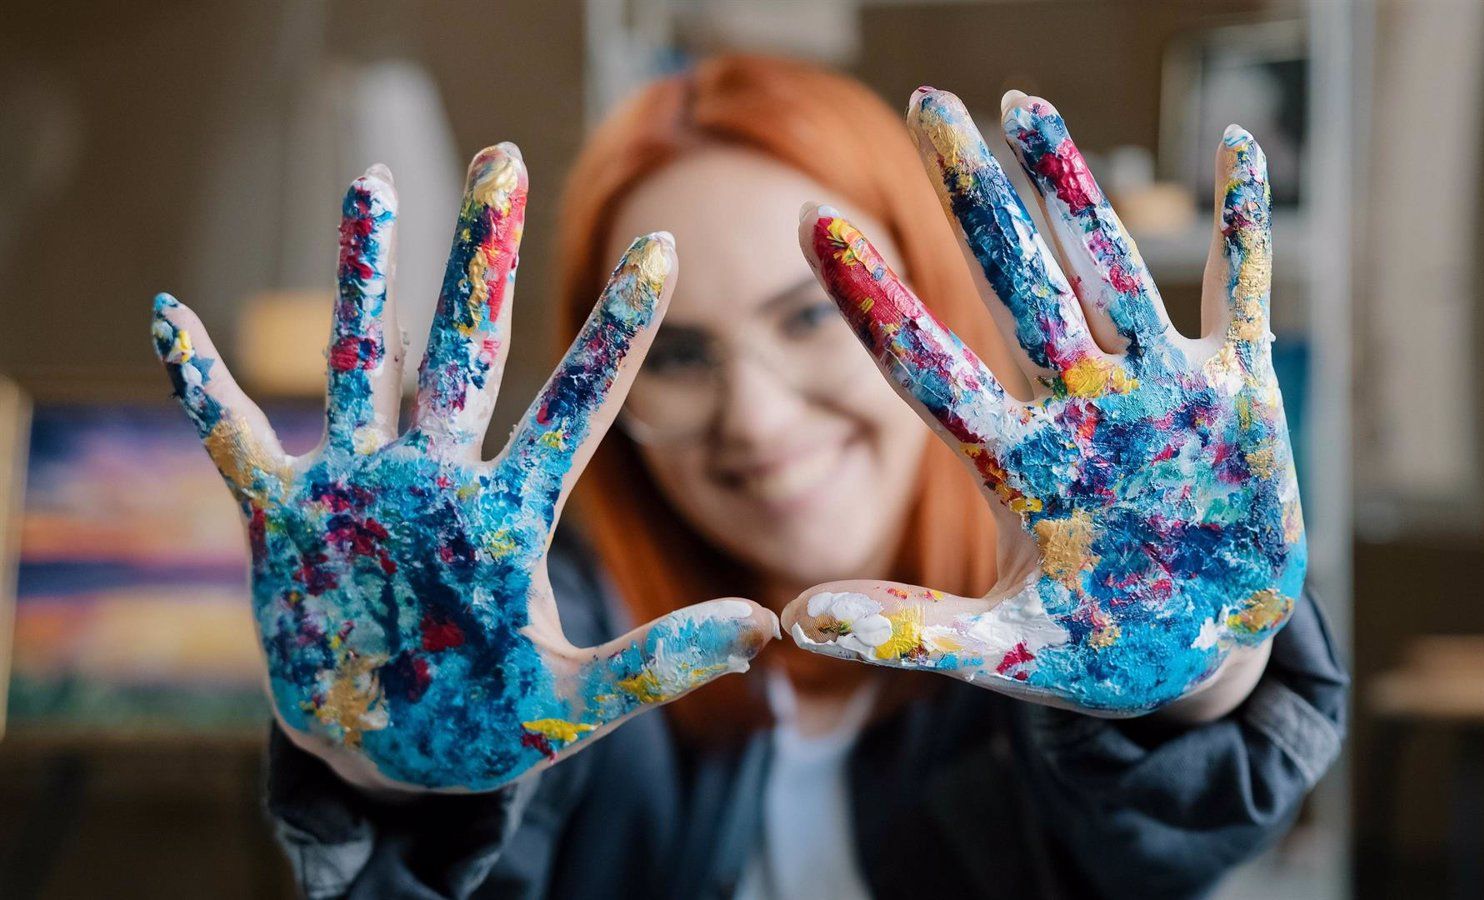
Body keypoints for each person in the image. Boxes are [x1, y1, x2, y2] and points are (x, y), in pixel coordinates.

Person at [153, 54, 1345, 899]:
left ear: (946, 310)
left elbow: (1160, 845)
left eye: (816, 317)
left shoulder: (1028, 675)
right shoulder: (542, 649)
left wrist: (1202, 669)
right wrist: (404, 791)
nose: (758, 418)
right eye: (674, 354)